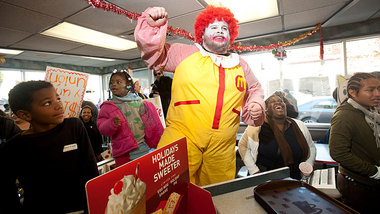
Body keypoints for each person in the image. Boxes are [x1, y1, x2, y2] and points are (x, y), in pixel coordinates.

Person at [135, 6, 265, 186]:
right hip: (182, 137)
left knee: (218, 195)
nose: (220, 30)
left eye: (224, 28)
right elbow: (155, 54)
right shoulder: (185, 53)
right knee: (168, 189)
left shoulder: (240, 64)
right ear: (202, 33)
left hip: (222, 146)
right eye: (214, 27)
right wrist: (152, 27)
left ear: (231, 35)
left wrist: (256, 104)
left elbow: (254, 89)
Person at [0, 80, 99, 213]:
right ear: (25, 114)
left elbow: (91, 172)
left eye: (58, 98)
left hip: (81, 207)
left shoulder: (74, 127)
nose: (58, 105)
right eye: (47, 103)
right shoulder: (14, 147)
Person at [329, 72, 380, 213]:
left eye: (379, 89)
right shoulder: (344, 115)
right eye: (370, 90)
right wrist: (374, 171)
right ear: (352, 92)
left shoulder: (369, 112)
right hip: (358, 186)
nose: (377, 94)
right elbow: (338, 153)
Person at [238, 94, 316, 179]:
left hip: (295, 178)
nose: (278, 103)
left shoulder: (299, 125)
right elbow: (242, 146)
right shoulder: (257, 127)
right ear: (266, 109)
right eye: (273, 101)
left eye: (281, 101)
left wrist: (309, 164)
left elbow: (311, 146)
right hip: (265, 179)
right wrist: (254, 171)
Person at [97, 70, 164, 167]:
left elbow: (150, 125)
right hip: (123, 152)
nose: (113, 85)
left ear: (128, 85)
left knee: (145, 175)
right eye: (111, 82)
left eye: (118, 82)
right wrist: (112, 124)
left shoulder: (139, 102)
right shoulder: (108, 106)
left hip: (143, 148)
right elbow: (102, 127)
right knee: (128, 179)